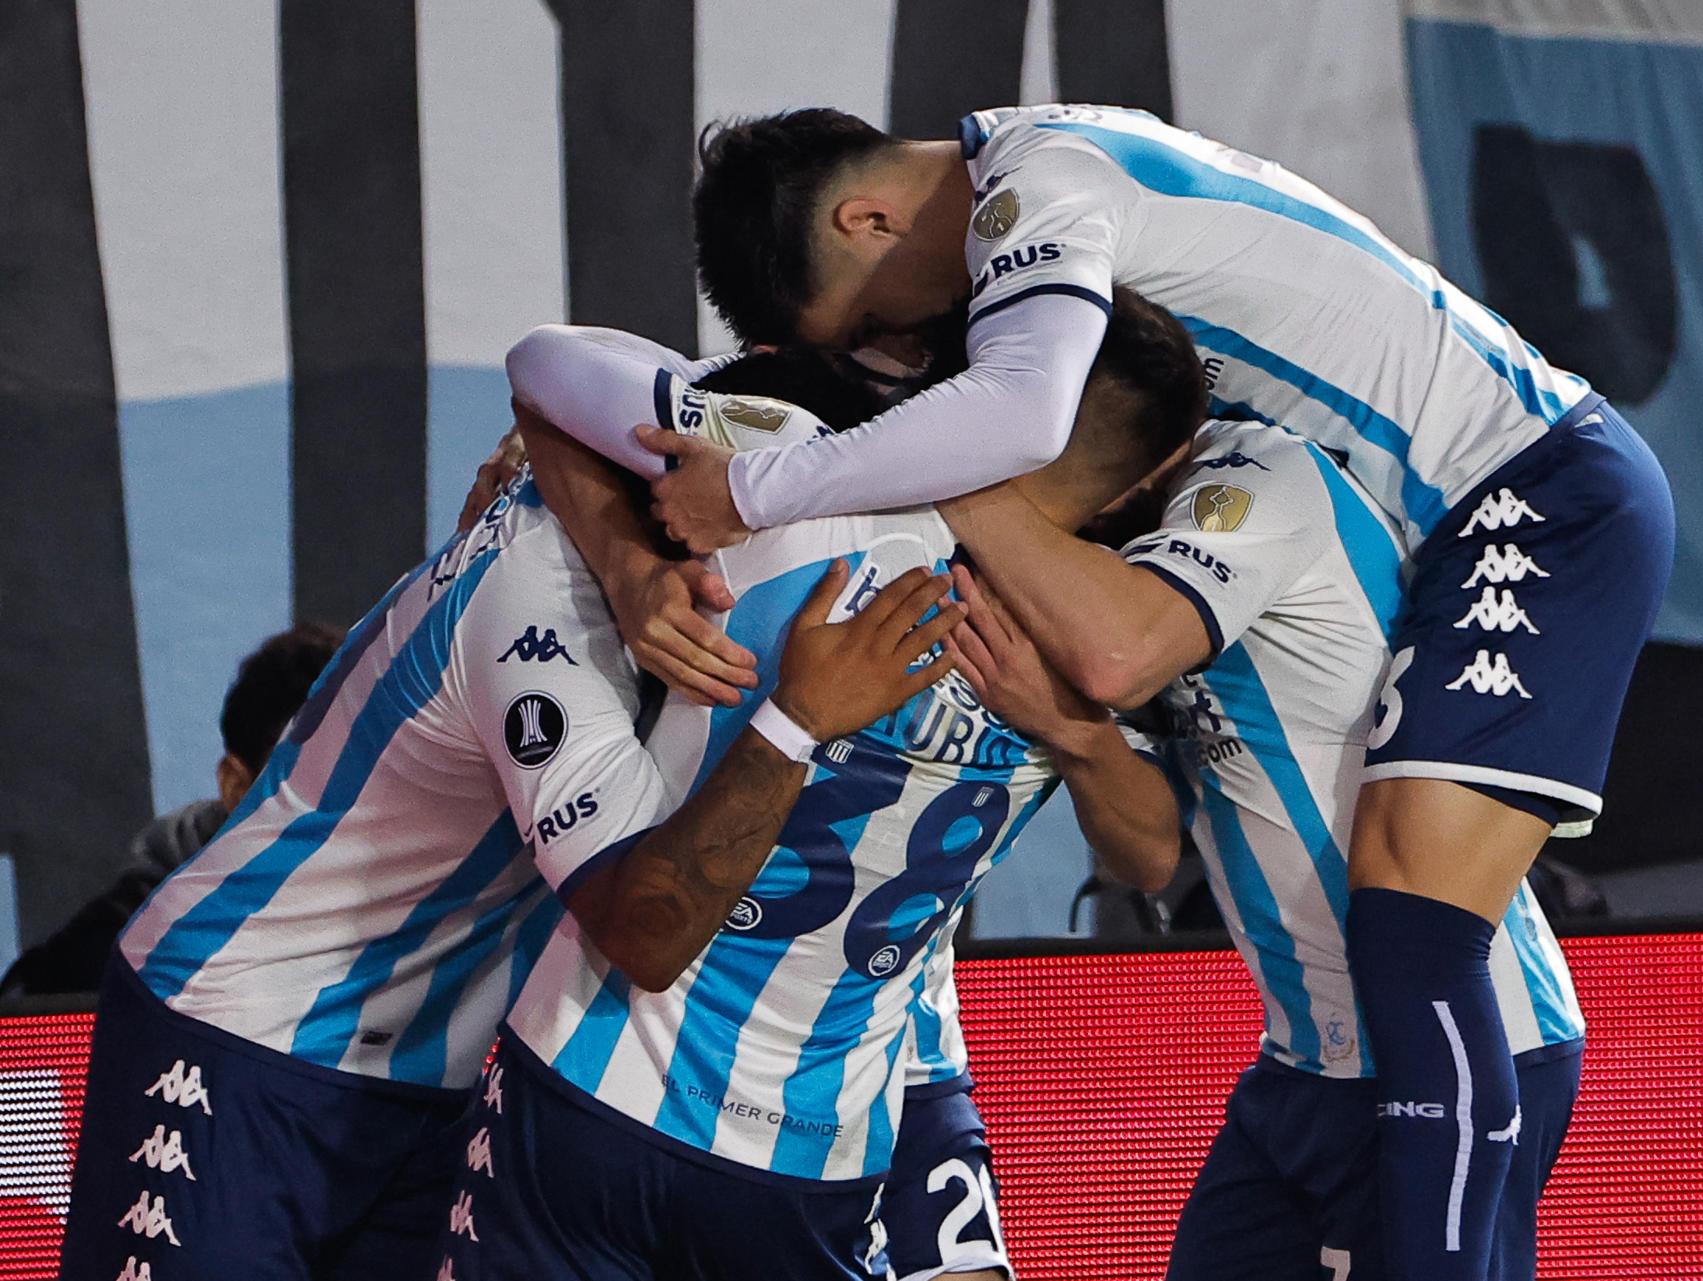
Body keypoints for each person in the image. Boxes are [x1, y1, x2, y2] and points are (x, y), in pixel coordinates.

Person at [573, 102, 1673, 1279]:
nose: (916, 350)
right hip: (1304, 1056)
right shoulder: (1108, 351)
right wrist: (623, 546)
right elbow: (558, 365)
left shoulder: (1041, 191)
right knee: (1401, 931)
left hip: (1539, 487)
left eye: (887, 325)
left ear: (869, 220)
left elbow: (1022, 422)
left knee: (1413, 924)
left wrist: (769, 485)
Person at [435, 290, 1195, 1280]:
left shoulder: (796, 470)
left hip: (598, 1083)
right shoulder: (1109, 648)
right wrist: (1078, 733)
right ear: (1143, 478)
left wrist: (625, 564)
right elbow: (1150, 860)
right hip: (814, 1156)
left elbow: (547, 364)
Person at [59, 459, 960, 1280]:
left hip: (426, 1076)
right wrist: (801, 716)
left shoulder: (655, 570)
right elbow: (642, 926)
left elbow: (555, 375)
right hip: (243, 1028)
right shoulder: (542, 582)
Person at [942, 407, 1584, 1278]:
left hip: (1452, 1043)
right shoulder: (1132, 565)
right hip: (1305, 1062)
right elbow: (1152, 856)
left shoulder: (1264, 472)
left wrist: (947, 485)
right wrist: (1075, 734)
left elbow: (1114, 661)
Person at [1, 624, 340, 999]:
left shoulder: (413, 926)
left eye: (381, 780)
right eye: (313, 785)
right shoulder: (127, 942)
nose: (351, 812)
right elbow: (24, 1031)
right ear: (235, 787)